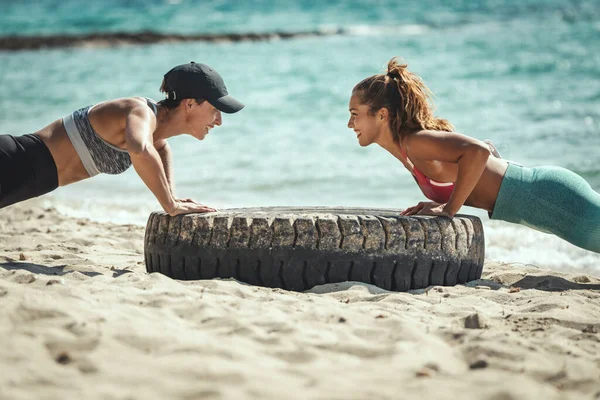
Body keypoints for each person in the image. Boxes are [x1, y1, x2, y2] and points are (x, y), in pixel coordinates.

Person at [347, 57, 600, 253]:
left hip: (547, 197)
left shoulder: (415, 142)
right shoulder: (408, 151)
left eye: (354, 113)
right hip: (534, 206)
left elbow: (477, 152)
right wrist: (442, 203)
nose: (350, 124)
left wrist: (449, 209)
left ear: (381, 114)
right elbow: (486, 150)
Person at [0, 61, 244, 216]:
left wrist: (171, 194)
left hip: (28, 179)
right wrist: (170, 205)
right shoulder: (140, 112)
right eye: (215, 110)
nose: (219, 120)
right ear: (190, 103)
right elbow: (140, 149)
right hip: (14, 162)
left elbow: (160, 148)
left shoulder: (155, 127)